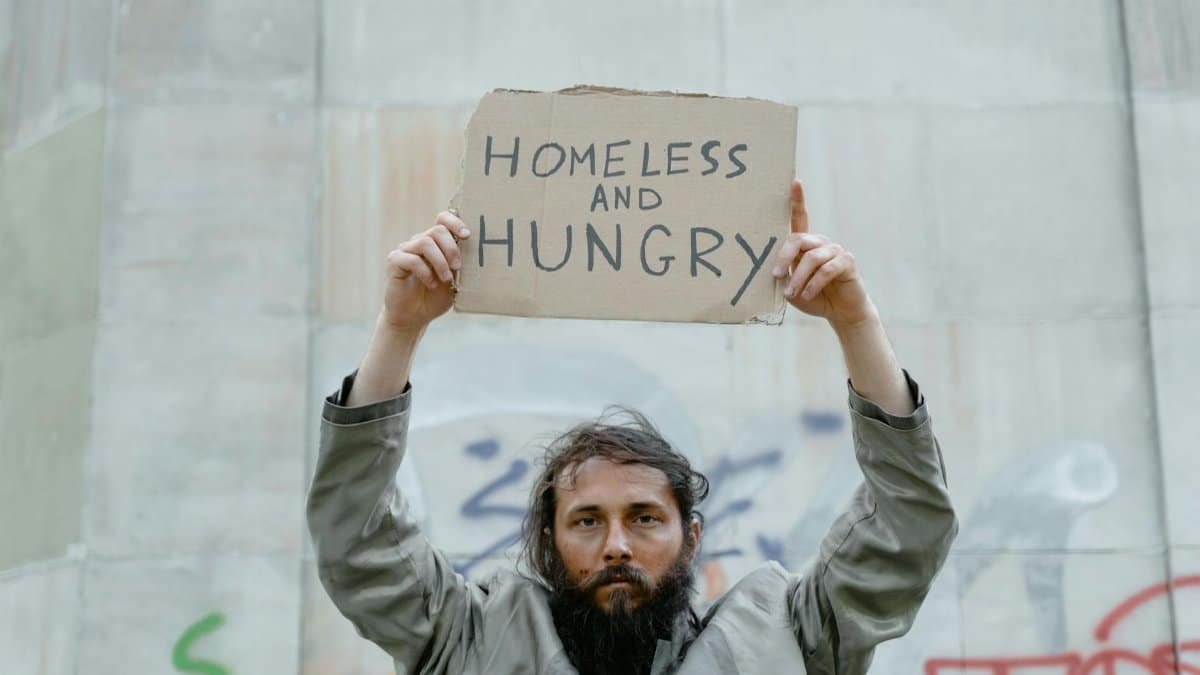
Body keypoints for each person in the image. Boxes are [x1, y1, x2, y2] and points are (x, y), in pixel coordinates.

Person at [306, 180, 958, 674]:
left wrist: (854, 322)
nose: (616, 545)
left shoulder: (788, 636)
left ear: (691, 537)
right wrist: (400, 327)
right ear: (547, 542)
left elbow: (908, 526)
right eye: (587, 521)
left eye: (645, 518)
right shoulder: (472, 639)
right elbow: (356, 536)